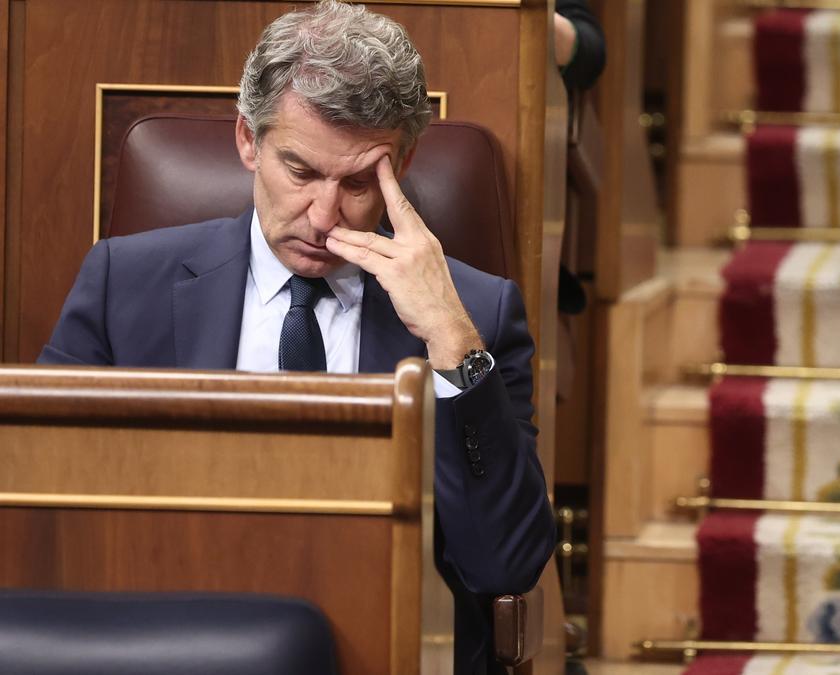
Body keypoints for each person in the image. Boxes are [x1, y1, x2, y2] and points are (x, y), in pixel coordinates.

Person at [37, 2, 555, 673]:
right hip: (166, 636)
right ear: (248, 141)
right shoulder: (124, 284)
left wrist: (450, 340)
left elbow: (506, 563)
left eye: (359, 182)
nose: (323, 215)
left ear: (403, 162)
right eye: (301, 171)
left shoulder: (477, 313)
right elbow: (43, 516)